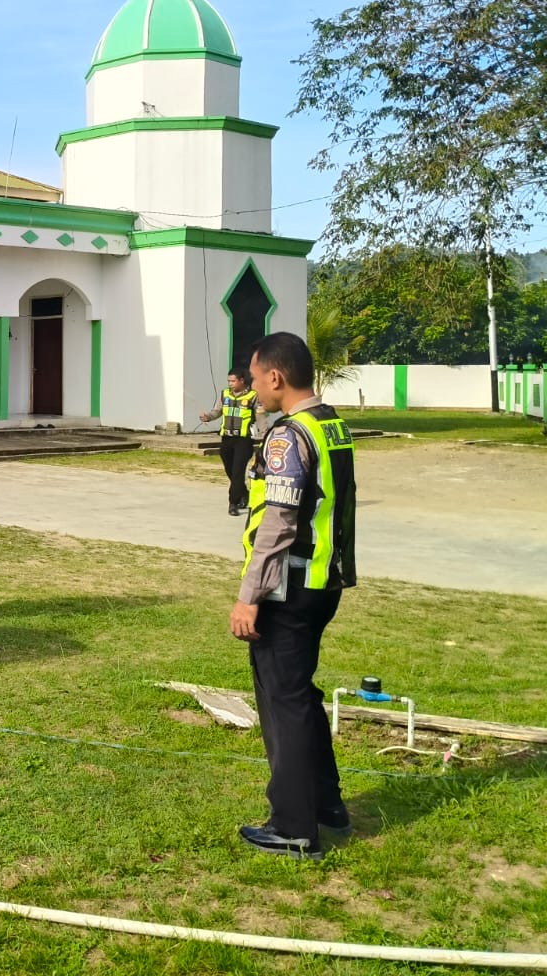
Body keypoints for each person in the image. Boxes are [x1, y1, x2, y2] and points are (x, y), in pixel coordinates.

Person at [229, 331, 357, 860]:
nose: (252, 388)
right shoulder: (330, 425)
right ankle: (326, 805)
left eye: (256, 379)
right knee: (301, 697)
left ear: (276, 378)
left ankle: (293, 826)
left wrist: (249, 596)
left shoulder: (285, 437)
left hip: (289, 587)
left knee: (284, 705)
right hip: (324, 582)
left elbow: (278, 526)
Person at [200, 367, 263, 516]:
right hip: (227, 440)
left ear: (242, 381)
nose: (230, 384)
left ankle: (233, 503)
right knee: (230, 470)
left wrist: (265, 435)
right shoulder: (225, 394)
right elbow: (218, 411)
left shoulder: (253, 396)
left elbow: (261, 417)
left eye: (233, 381)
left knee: (237, 472)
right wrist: (208, 417)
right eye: (229, 381)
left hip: (243, 440)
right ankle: (244, 493)